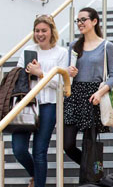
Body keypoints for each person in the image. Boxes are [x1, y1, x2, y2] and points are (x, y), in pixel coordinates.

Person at [12, 15, 68, 187]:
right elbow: (19, 78)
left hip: (49, 106)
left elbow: (62, 84)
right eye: (37, 31)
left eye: (44, 30)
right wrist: (28, 72)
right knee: (19, 149)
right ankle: (36, 176)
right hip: (27, 104)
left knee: (39, 151)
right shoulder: (28, 51)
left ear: (52, 31)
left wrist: (40, 73)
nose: (40, 34)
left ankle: (39, 184)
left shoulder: (61, 53)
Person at [63, 7, 113, 169]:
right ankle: (95, 172)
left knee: (89, 144)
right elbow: (67, 72)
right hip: (74, 95)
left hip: (94, 96)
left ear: (94, 21)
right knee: (68, 145)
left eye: (83, 20)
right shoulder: (74, 45)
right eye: (77, 21)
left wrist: (100, 92)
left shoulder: (107, 46)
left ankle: (91, 178)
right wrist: (69, 72)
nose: (80, 23)